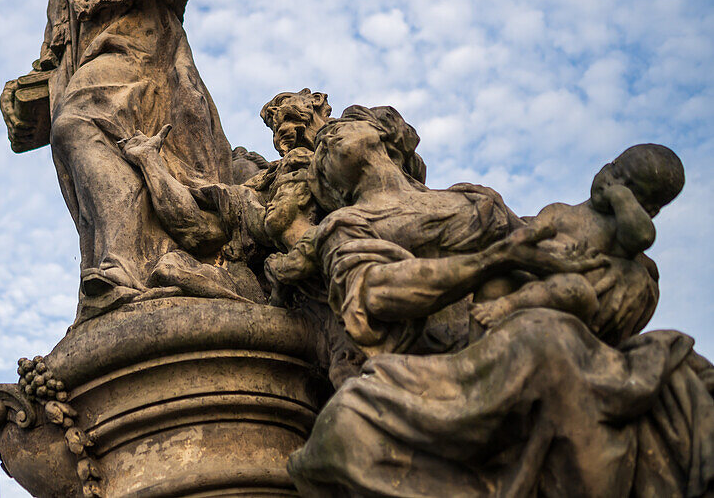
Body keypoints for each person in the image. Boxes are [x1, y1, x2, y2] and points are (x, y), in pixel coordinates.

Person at [264, 108, 714, 497]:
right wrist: (492, 260)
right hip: (446, 362)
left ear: (384, 136)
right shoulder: (346, 225)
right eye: (319, 150)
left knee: (663, 368)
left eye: (339, 129)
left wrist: (625, 267)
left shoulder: (471, 199)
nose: (324, 140)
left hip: (527, 320)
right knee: (348, 427)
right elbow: (376, 291)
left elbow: (555, 246)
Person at [0, 0, 233, 321]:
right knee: (79, 136)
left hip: (142, 60)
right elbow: (58, 53)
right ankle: (120, 263)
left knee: (76, 123)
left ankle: (121, 266)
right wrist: (23, 91)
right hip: (96, 72)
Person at [470, 143, 683, 345]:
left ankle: (507, 306)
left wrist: (621, 199)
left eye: (631, 190)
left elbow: (642, 237)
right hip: (535, 269)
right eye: (616, 174)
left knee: (569, 288)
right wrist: (549, 250)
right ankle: (473, 352)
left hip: (569, 289)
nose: (615, 186)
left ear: (649, 211)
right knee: (494, 285)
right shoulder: (558, 210)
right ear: (606, 166)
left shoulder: (622, 234)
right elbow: (530, 235)